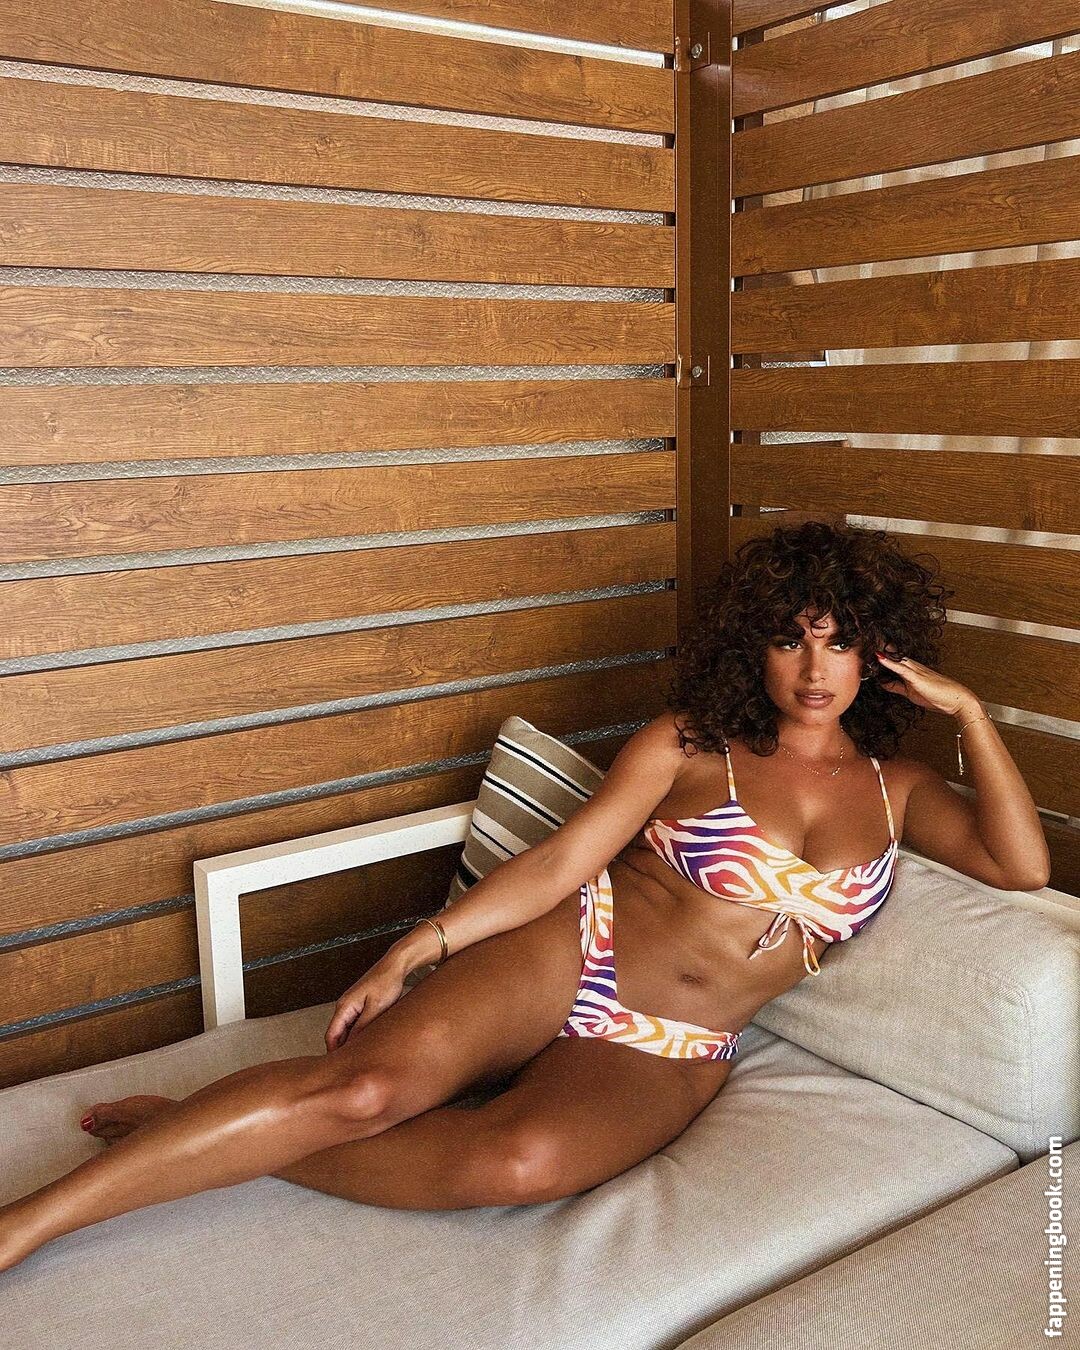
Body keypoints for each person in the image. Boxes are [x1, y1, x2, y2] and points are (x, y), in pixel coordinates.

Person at [0, 519, 1050, 1271]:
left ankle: (203, 1136)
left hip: (673, 1045)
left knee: (518, 1163)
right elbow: (558, 865)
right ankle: (27, 1226)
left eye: (840, 640)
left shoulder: (901, 790)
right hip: (575, 948)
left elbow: (1022, 867)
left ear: (880, 654)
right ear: (755, 646)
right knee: (362, 1092)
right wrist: (420, 946)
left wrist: (970, 714)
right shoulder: (691, 745)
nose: (815, 668)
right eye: (790, 638)